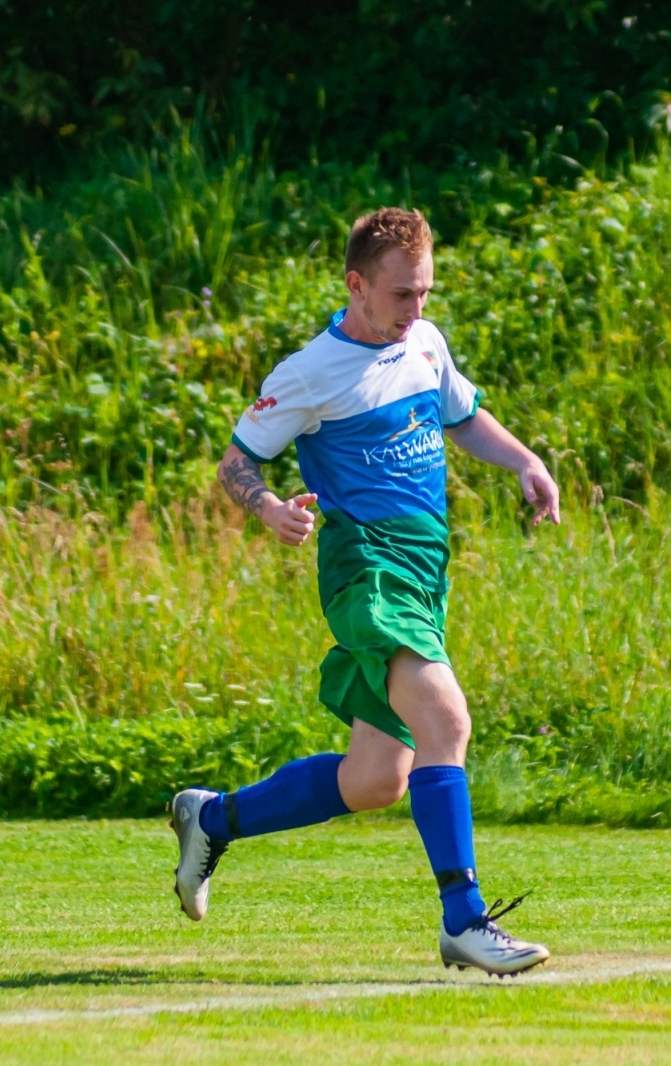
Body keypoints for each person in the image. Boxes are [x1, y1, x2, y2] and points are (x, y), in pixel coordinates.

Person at [170, 207, 560, 976]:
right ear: (357, 285)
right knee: (447, 718)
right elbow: (236, 463)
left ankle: (212, 818)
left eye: (425, 293)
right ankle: (464, 920)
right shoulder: (311, 372)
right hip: (366, 569)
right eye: (403, 295)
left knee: (378, 778)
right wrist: (270, 508)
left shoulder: (425, 343)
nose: (418, 309)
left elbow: (465, 418)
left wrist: (524, 463)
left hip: (423, 569)